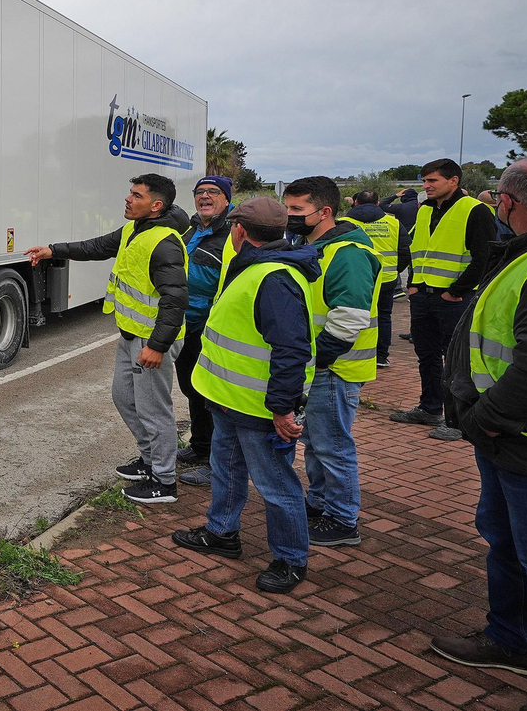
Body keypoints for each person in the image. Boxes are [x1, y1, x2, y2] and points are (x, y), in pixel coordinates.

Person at [427, 156, 527, 678]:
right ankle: (513, 640)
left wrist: (485, 421)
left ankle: (515, 639)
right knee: (510, 545)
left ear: (508, 202)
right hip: (512, 440)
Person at [170, 197, 320, 594]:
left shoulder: (273, 277)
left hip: (258, 408)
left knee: (276, 485)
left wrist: (282, 409)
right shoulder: (256, 267)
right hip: (229, 400)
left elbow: (291, 349)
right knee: (227, 469)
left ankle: (291, 559)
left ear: (239, 231)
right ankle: (221, 532)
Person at [25, 174, 188, 504]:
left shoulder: (164, 243)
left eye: (137, 195)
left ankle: (164, 481)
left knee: (154, 410)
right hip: (130, 336)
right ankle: (150, 460)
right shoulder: (133, 230)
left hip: (151, 341)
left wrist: (157, 346)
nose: (128, 199)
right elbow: (96, 247)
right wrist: (53, 250)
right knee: (124, 397)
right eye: (130, 193)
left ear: (156, 205)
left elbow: (175, 299)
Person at [282, 178, 380, 549]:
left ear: (324, 212)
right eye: (287, 208)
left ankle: (342, 519)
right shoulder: (314, 247)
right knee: (316, 441)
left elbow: (349, 318)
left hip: (335, 368)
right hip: (321, 366)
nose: (289, 216)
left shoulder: (348, 254)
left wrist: (318, 359)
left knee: (332, 446)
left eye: (297, 209)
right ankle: (321, 501)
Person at [390, 159, 497, 434]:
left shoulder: (475, 210)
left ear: (453, 181)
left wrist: (456, 291)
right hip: (423, 296)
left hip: (454, 300)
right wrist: (413, 285)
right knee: (427, 356)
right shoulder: (425, 210)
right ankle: (429, 409)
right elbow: (418, 251)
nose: (426, 186)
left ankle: (458, 421)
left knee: (457, 360)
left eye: (432, 181)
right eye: (424, 181)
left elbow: (484, 258)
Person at [175, 176, 234, 487]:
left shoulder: (234, 233)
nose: (205, 196)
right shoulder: (191, 228)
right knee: (192, 388)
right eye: (200, 192)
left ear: (226, 198)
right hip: (185, 323)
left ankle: (215, 461)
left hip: (210, 327)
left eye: (213, 192)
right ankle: (199, 446)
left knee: (212, 396)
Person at [345, 190, 400, 368]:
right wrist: (396, 269)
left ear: (356, 203)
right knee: (383, 316)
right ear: (377, 203)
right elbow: (406, 250)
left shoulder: (345, 222)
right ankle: (381, 356)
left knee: (352, 314)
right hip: (386, 278)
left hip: (355, 278)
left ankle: (353, 354)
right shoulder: (393, 222)